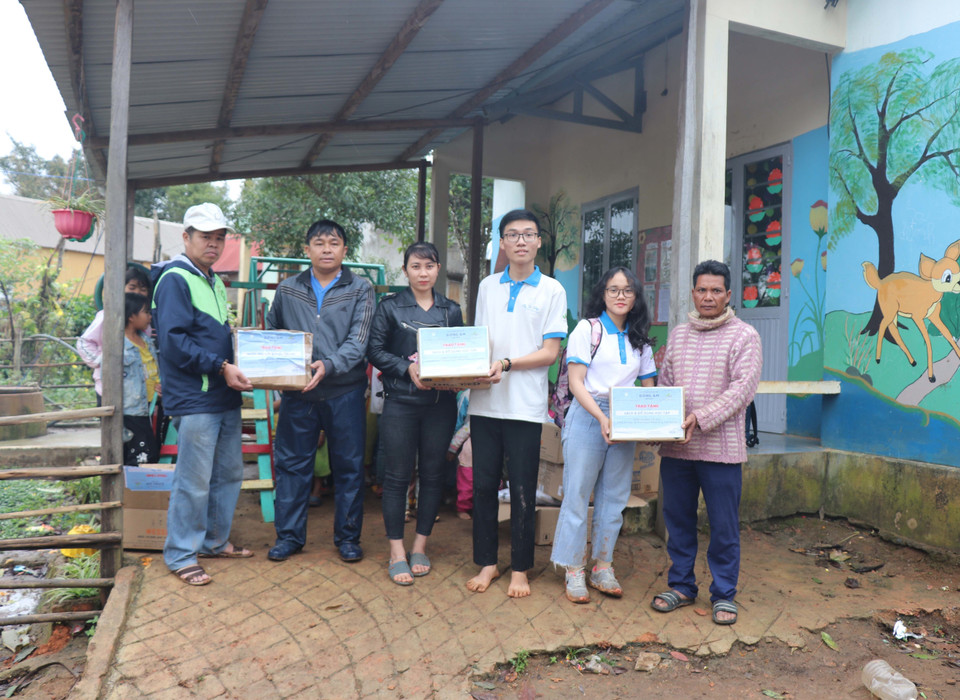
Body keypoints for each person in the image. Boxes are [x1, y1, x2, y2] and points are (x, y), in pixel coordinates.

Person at [651, 259, 762, 625]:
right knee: (678, 520)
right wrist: (658, 423)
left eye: (716, 290)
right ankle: (682, 585)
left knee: (723, 526)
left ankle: (724, 593)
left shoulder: (745, 336)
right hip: (677, 449)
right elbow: (666, 384)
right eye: (702, 290)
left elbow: (742, 391)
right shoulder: (678, 335)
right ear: (693, 293)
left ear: (728, 295)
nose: (708, 297)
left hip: (721, 452)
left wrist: (699, 418)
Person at [466, 209, 568, 598]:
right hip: (484, 402)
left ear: (539, 241)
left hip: (525, 406)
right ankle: (488, 563)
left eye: (528, 234)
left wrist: (507, 364)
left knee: (523, 489)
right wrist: (466, 371)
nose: (521, 241)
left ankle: (521, 569)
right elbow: (479, 340)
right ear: (503, 243)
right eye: (512, 234)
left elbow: (549, 353)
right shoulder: (487, 286)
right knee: (483, 487)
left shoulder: (552, 291)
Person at [153, 203, 254, 587]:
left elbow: (216, 334)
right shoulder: (175, 279)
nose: (213, 244)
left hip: (222, 393)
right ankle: (181, 553)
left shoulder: (213, 280)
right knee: (193, 480)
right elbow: (174, 343)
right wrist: (221, 366)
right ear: (186, 237)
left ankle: (213, 541)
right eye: (205, 237)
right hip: (195, 396)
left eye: (219, 237)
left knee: (228, 474)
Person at [266, 219, 375, 563]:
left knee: (349, 467)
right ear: (307, 249)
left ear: (345, 250)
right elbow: (273, 332)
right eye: (319, 243)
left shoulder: (361, 289)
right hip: (299, 394)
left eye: (334, 243)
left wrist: (328, 365)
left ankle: (348, 538)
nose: (327, 249)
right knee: (292, 466)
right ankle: (289, 537)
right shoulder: (287, 289)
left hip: (345, 391)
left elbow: (359, 341)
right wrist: (277, 370)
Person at [550, 267, 657, 603]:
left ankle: (603, 566)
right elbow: (576, 383)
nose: (620, 296)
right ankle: (573, 568)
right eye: (613, 289)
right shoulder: (588, 328)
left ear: (636, 297)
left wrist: (652, 422)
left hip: (625, 415)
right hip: (588, 413)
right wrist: (601, 418)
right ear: (603, 294)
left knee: (614, 497)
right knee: (578, 494)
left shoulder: (640, 337)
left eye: (627, 290)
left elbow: (649, 387)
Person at [367, 241, 462, 585]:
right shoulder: (389, 308)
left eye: (429, 266)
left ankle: (420, 546)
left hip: (440, 406)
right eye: (416, 266)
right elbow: (374, 350)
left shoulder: (451, 310)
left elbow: (460, 353)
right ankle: (397, 551)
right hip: (400, 404)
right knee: (396, 477)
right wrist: (406, 368)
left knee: (433, 475)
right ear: (405, 270)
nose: (423, 273)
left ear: (438, 269)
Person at [78, 265, 152, 405]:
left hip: (138, 392)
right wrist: (100, 360)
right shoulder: (107, 315)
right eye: (132, 288)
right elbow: (84, 342)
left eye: (143, 289)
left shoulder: (145, 322)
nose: (137, 293)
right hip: (109, 387)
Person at [122, 293, 161, 465]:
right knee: (141, 456)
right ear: (131, 316)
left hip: (152, 405)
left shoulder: (147, 341)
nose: (150, 317)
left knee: (152, 451)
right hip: (133, 409)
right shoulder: (120, 346)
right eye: (146, 312)